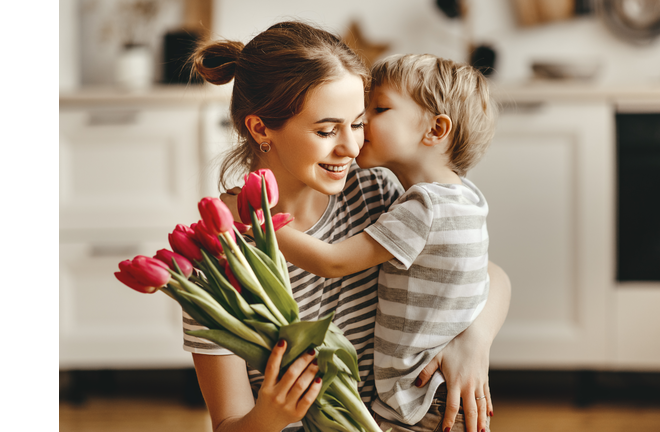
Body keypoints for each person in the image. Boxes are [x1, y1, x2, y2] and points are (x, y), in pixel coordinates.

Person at [185, 21, 511, 432]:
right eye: (326, 130)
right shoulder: (221, 261)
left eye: (358, 123)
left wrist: (474, 340)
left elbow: (483, 272)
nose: (352, 147)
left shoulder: (373, 194)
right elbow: (229, 425)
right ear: (260, 128)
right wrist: (270, 415)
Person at [274, 53, 497, 432]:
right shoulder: (466, 196)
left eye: (376, 109)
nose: (362, 126)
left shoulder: (424, 207)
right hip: (437, 394)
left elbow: (333, 262)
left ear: (435, 129)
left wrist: (257, 223)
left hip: (418, 399)